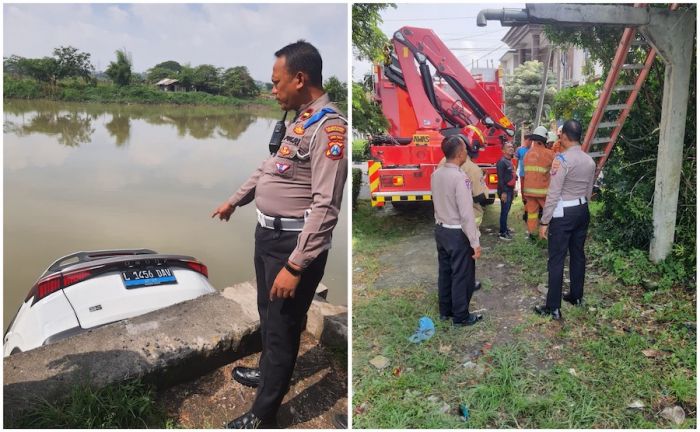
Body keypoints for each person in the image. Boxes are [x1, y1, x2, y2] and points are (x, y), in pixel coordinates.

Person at [212, 40, 347, 428]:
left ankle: (264, 413)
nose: (273, 90)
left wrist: (296, 264)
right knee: (269, 316)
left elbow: (325, 207)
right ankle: (268, 374)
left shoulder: (329, 128)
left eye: (276, 82)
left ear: (300, 78)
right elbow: (269, 168)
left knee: (284, 325)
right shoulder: (300, 119)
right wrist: (234, 201)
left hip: (293, 244)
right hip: (268, 238)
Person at [535, 119, 595, 320]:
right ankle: (576, 296)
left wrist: (544, 221)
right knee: (578, 254)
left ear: (565, 137)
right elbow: (588, 190)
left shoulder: (562, 160)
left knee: (557, 258)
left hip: (564, 214)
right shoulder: (589, 160)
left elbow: (554, 192)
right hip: (582, 210)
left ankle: (553, 307)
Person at [431, 135, 483, 326]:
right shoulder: (460, 178)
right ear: (460, 153)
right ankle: (461, 316)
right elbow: (466, 214)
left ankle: (445, 310)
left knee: (445, 271)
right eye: (465, 150)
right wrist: (475, 242)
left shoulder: (436, 174)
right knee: (462, 275)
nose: (467, 153)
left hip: (441, 230)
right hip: (456, 233)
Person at [522, 126, 554, 239]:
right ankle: (548, 233)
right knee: (549, 212)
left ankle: (532, 234)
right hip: (543, 192)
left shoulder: (527, 155)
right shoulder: (549, 154)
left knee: (532, 214)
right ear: (544, 139)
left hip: (529, 192)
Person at [496, 142, 516, 240]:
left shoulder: (510, 161)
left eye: (512, 147)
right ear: (503, 150)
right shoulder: (501, 162)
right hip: (505, 190)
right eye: (508, 147)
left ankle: (505, 229)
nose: (511, 148)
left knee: (506, 211)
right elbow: (500, 179)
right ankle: (502, 233)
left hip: (510, 190)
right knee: (504, 211)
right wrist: (503, 192)